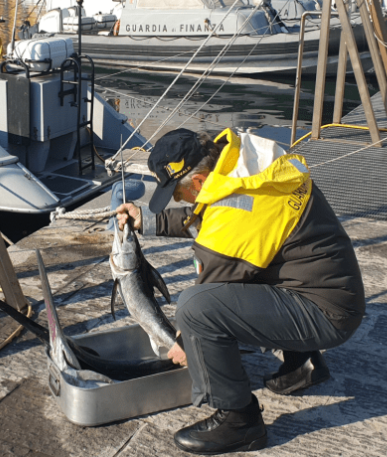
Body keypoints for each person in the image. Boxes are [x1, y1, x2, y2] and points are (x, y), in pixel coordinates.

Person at [116, 128, 365, 455]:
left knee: (194, 310)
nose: (176, 199)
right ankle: (303, 363)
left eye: (177, 192)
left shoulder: (236, 210)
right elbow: (207, 216)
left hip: (327, 314)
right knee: (259, 267)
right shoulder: (244, 167)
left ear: (200, 180)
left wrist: (182, 344)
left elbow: (208, 299)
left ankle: (238, 420)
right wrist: (145, 222)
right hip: (325, 291)